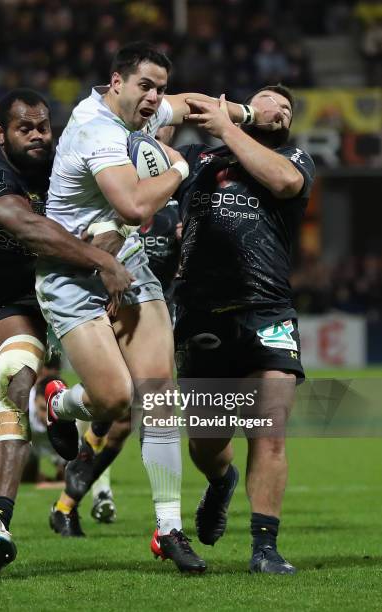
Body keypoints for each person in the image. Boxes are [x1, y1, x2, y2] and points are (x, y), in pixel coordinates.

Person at [36, 41, 279, 573]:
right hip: (72, 271)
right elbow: (133, 204)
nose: (154, 98)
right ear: (115, 81)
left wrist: (244, 112)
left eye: (159, 88)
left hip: (125, 263)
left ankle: (168, 529)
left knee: (158, 398)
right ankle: (57, 405)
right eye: (144, 86)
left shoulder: (139, 109)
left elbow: (190, 104)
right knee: (117, 400)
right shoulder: (97, 130)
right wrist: (177, 168)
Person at [0, 88, 133, 575]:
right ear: (2, 134)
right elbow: (29, 228)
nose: (39, 135)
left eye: (44, 126)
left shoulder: (64, 167)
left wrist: (111, 236)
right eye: (26, 128)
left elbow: (105, 212)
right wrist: (101, 260)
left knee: (13, 387)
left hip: (16, 302)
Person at [175, 85, 315, 574]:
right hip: (201, 314)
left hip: (266, 310)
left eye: (287, 109)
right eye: (269, 102)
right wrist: (236, 113)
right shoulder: (195, 158)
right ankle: (221, 482)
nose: (279, 111)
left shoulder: (294, 157)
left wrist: (232, 124)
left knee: (269, 430)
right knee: (206, 443)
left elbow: (282, 183)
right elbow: (164, 106)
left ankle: (265, 548)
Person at [49, 126, 182, 537]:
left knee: (122, 420)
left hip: (149, 306)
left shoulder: (175, 207)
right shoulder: (107, 189)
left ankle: (67, 505)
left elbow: (179, 263)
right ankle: (68, 503)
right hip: (107, 308)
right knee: (117, 410)